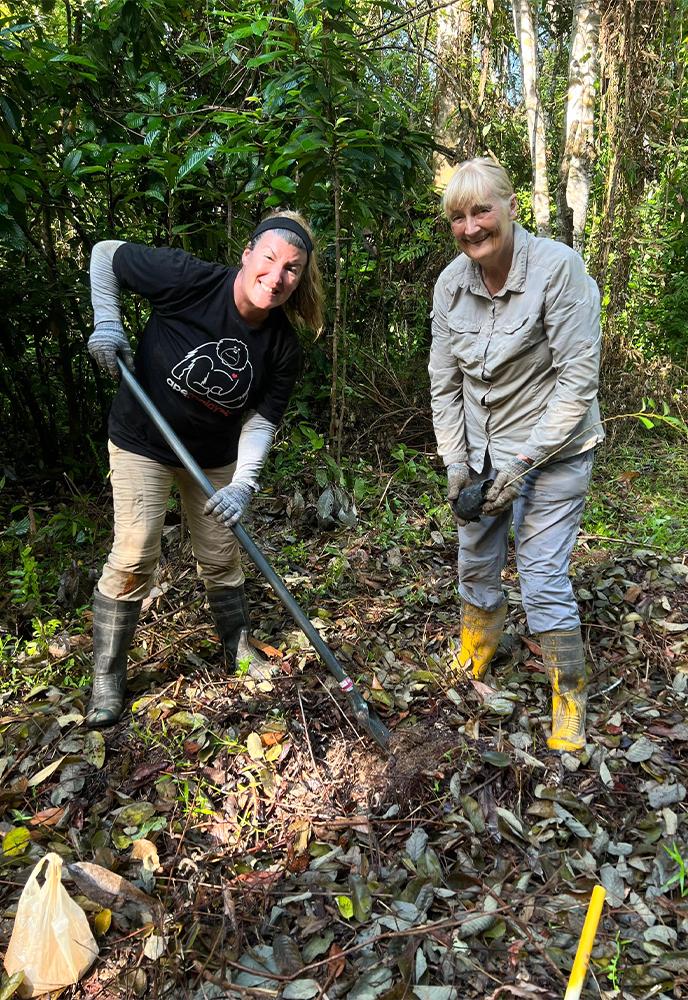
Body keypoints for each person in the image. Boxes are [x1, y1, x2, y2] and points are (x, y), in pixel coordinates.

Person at [85, 212, 323, 729]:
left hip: (212, 456)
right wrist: (108, 319)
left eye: (292, 269)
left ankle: (237, 647)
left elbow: (260, 421)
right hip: (142, 439)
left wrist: (243, 483)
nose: (277, 277)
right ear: (247, 254)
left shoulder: (282, 345)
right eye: (269, 260)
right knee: (135, 551)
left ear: (300, 278)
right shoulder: (189, 279)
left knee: (220, 554)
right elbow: (106, 252)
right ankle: (107, 675)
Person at [428, 158, 603, 753]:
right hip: (481, 450)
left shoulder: (559, 269)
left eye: (482, 211)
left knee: (542, 574)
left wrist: (521, 465)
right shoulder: (451, 285)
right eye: (458, 216)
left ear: (509, 206)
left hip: (555, 451)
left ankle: (569, 692)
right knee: (474, 559)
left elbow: (576, 383)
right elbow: (444, 384)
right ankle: (476, 652)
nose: (472, 226)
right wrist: (455, 462)